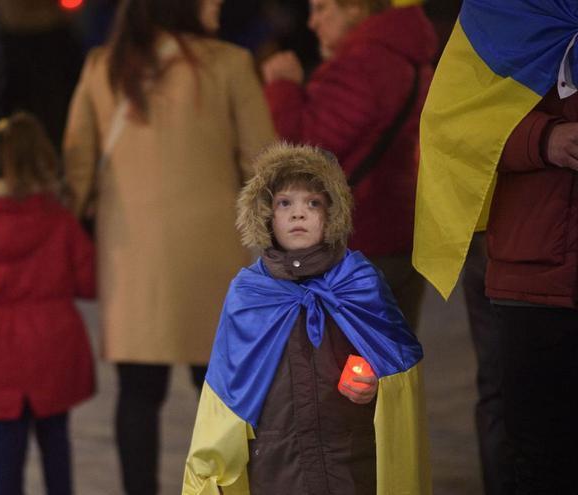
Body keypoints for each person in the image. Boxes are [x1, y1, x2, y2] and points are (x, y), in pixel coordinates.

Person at [61, 0, 276, 492]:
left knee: (137, 395)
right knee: (220, 393)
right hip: (213, 257)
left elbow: (76, 165)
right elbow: (263, 164)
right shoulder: (229, 64)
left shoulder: (104, 67)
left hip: (131, 259)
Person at [182, 143, 429, 495]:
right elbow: (225, 391)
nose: (299, 214)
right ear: (267, 214)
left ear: (332, 213)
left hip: (352, 460)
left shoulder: (359, 282)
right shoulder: (249, 294)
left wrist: (377, 383)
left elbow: (398, 369)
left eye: (312, 203)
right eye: (285, 203)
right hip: (276, 464)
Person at [413, 1, 578, 492]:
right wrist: (543, 138)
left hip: (531, 262)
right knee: (533, 449)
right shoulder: (504, 15)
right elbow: (455, 126)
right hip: (530, 274)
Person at [0, 112, 95, 495]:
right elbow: (89, 282)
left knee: (6, 450)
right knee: (56, 443)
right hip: (54, 347)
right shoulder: (59, 220)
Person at [261, 0, 436, 331]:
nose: (312, 23)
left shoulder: (365, 63)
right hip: (398, 232)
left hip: (359, 243)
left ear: (356, 8)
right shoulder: (405, 56)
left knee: (344, 370)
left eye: (322, 8)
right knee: (390, 364)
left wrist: (283, 85)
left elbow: (303, 150)